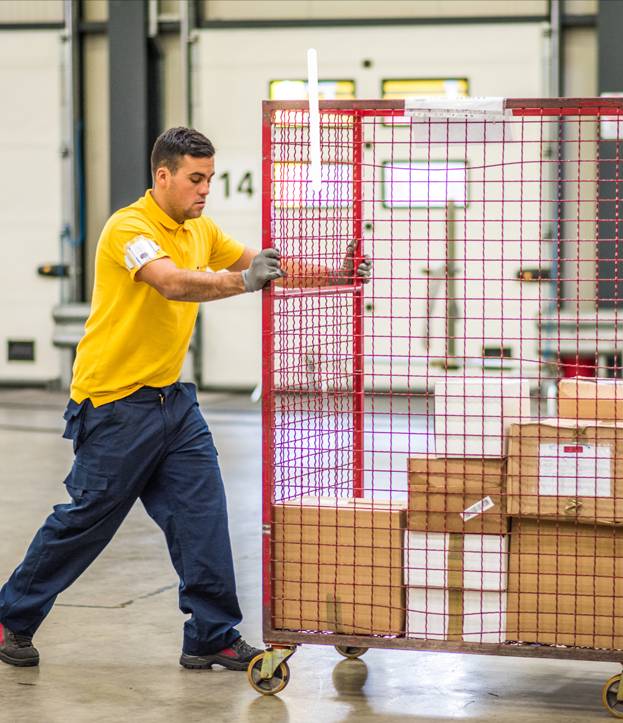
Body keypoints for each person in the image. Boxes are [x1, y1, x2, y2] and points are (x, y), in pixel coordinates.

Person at [0, 127, 371, 671]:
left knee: (203, 514)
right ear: (163, 176)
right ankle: (11, 617)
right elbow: (173, 283)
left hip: (174, 404)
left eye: (211, 179)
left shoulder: (200, 229)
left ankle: (211, 635)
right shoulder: (130, 228)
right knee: (86, 521)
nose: (205, 190)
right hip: (115, 405)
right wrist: (244, 281)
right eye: (196, 179)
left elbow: (267, 265)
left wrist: (334, 272)